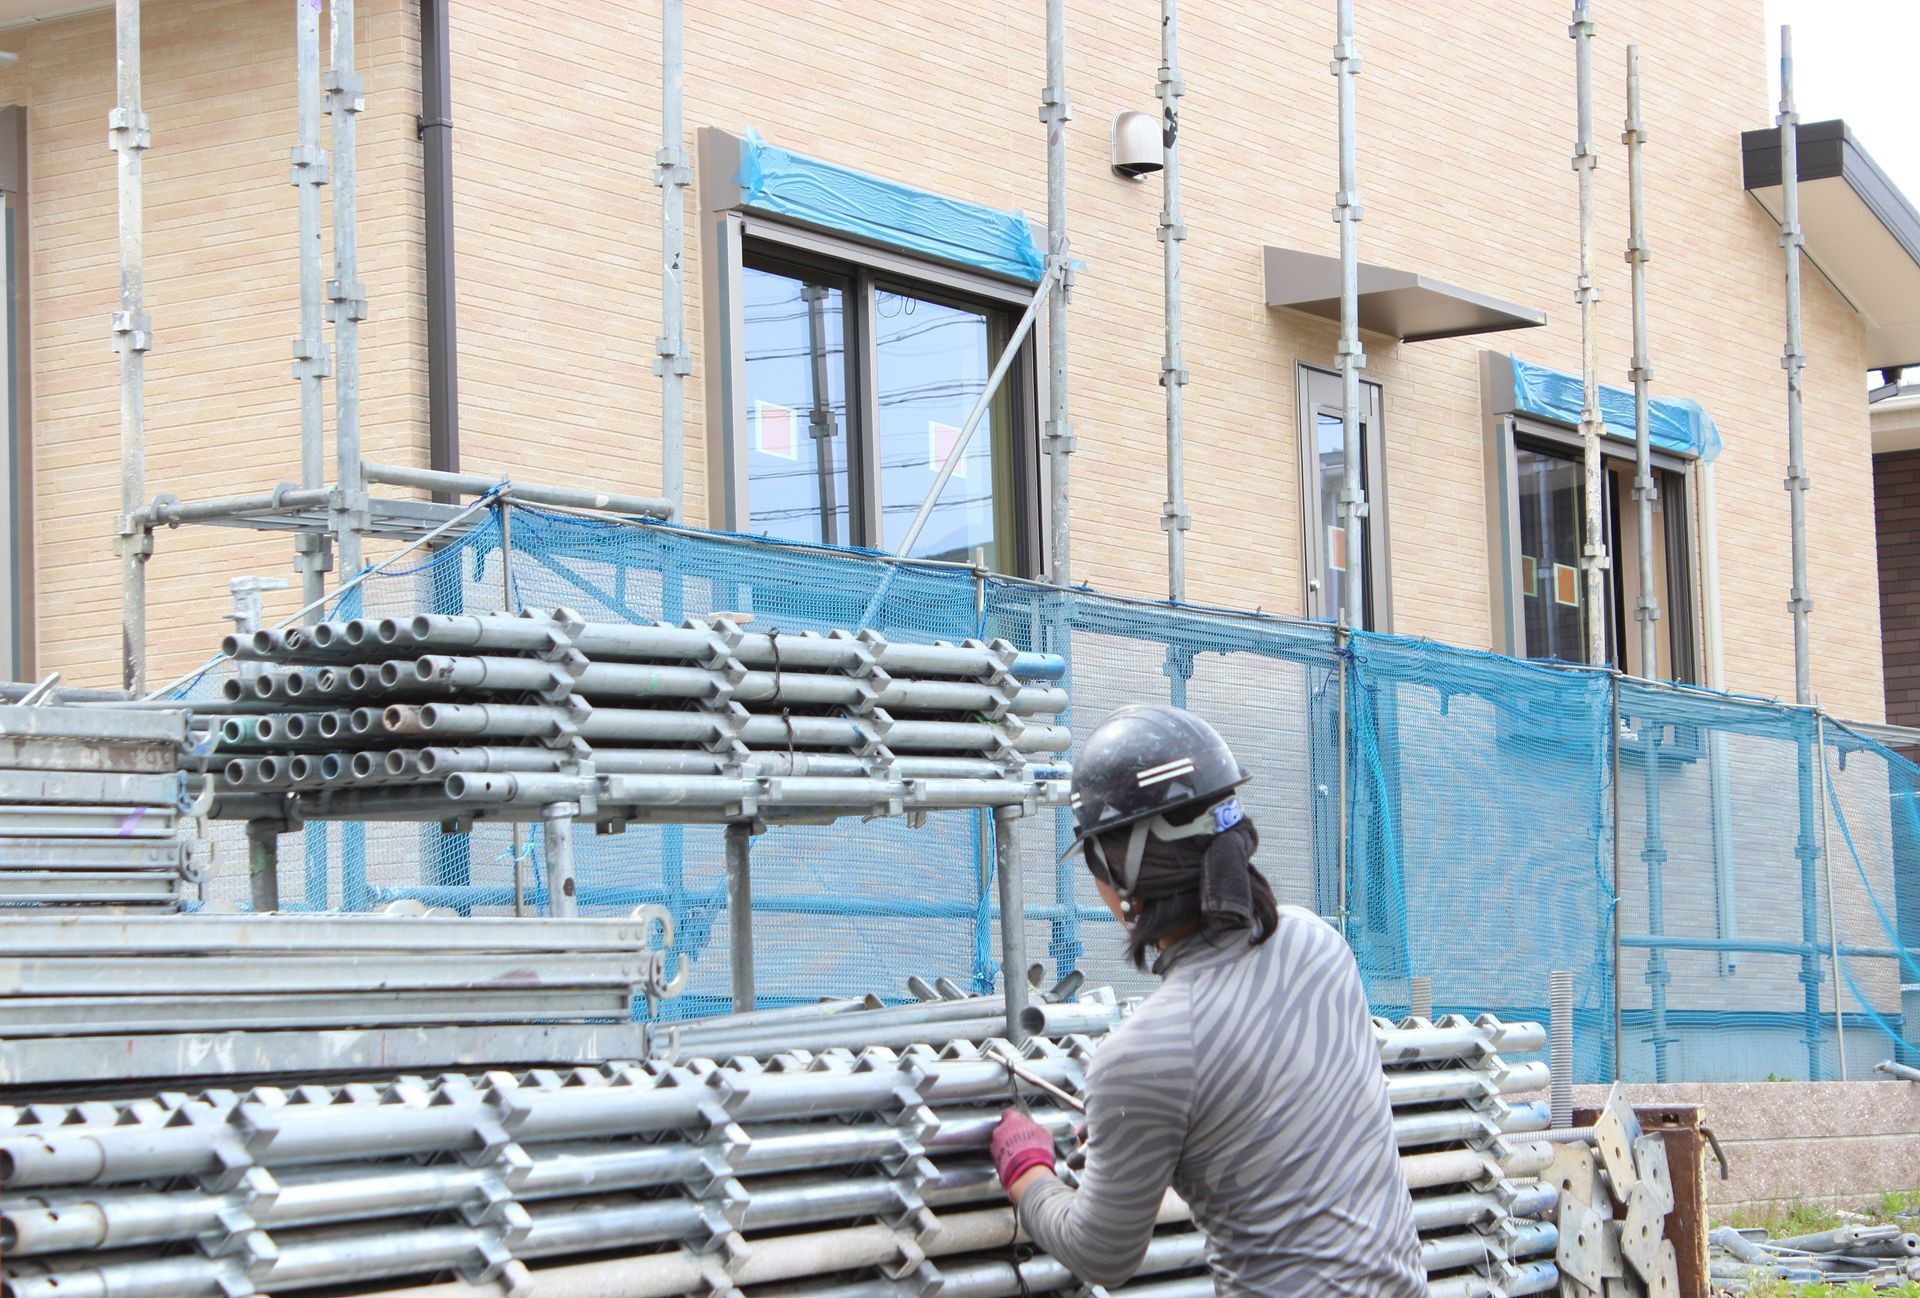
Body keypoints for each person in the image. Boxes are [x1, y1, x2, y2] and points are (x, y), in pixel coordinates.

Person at [989, 703, 1425, 1297]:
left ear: (1119, 873)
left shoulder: (1144, 1054)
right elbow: (1273, 1110)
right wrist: (1152, 1123)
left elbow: (1102, 1254)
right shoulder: (1317, 942)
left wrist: (1027, 1170)